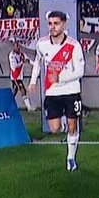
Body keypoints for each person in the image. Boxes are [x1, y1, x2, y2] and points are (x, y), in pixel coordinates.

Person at [29, 11, 85, 171]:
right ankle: (65, 129)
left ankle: (71, 158)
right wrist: (33, 81)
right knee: (55, 129)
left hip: (71, 91)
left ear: (63, 24)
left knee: (72, 125)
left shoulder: (74, 46)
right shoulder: (42, 44)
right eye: (50, 23)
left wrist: (61, 78)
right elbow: (38, 63)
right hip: (52, 93)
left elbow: (80, 71)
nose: (52, 27)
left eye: (56, 23)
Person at [8, 43, 35, 112]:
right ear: (14, 47)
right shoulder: (12, 55)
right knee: (23, 90)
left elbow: (29, 60)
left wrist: (35, 65)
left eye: (19, 47)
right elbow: (14, 66)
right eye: (17, 47)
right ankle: (29, 107)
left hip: (20, 76)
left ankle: (8, 106)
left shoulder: (22, 54)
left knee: (14, 91)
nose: (18, 48)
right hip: (15, 77)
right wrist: (22, 62)